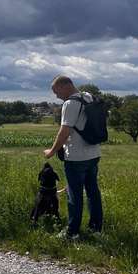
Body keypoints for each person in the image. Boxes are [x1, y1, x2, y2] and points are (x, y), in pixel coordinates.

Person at [43, 75, 103, 240]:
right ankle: (96, 229)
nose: (56, 96)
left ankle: (72, 232)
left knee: (74, 195)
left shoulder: (70, 104)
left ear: (65, 86)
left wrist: (52, 151)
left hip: (76, 157)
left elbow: (65, 131)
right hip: (94, 153)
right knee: (93, 192)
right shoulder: (88, 97)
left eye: (56, 91)